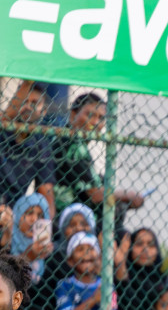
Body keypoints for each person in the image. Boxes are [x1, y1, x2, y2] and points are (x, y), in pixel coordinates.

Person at [50, 91, 143, 222]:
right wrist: (127, 195)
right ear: (73, 115)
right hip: (70, 223)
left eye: (101, 118)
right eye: (90, 115)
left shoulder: (74, 142)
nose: (95, 122)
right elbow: (94, 194)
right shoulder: (72, 144)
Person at [0, 81, 56, 213]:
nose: (28, 107)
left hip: (15, 214)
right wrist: (27, 83)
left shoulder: (42, 146)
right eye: (23, 102)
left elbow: (47, 194)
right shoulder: (2, 129)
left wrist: (46, 227)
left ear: (44, 111)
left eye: (35, 103)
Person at [114, 226, 168, 310]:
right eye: (139, 244)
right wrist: (121, 266)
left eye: (150, 245)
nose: (145, 249)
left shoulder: (163, 279)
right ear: (130, 247)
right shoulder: (119, 274)